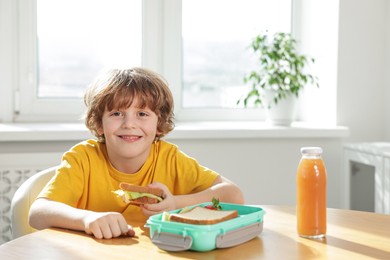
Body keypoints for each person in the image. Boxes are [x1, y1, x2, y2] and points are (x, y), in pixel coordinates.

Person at [28, 67, 244, 239]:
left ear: (159, 124)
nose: (129, 124)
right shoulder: (82, 158)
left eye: (142, 113)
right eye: (116, 113)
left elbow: (234, 196)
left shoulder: (170, 158)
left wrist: (175, 203)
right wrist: (87, 219)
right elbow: (37, 214)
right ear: (99, 123)